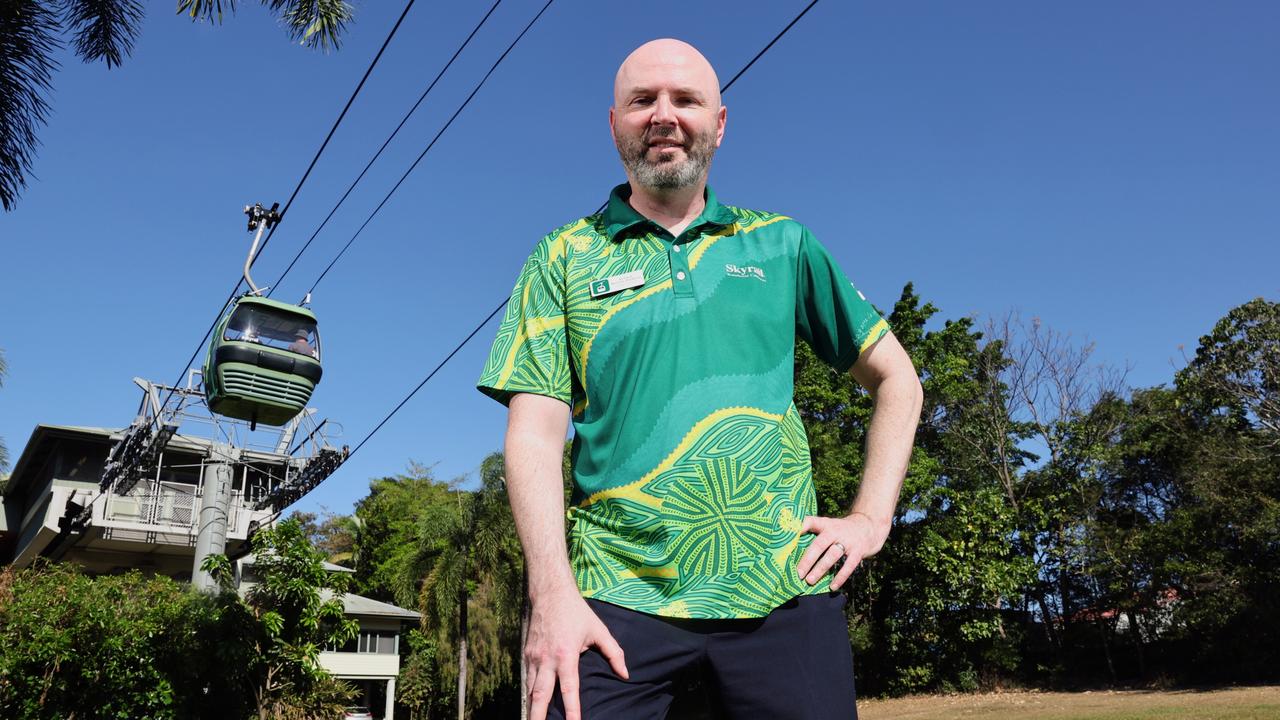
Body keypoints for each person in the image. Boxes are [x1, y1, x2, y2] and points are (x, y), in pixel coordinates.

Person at [477, 38, 922, 720]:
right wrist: (552, 594)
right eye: (642, 100)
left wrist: (869, 519)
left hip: (784, 589)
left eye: (685, 100)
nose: (664, 116)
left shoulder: (782, 244)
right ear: (613, 124)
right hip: (612, 597)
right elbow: (535, 436)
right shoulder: (561, 256)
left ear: (719, 123)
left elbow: (897, 379)